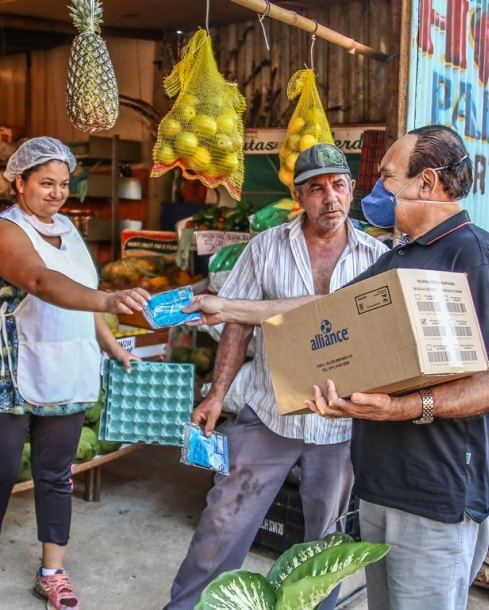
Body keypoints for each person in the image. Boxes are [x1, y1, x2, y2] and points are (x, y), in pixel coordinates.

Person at [183, 125, 489, 610]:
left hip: (436, 490)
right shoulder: (402, 257)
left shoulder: (474, 257)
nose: (374, 191)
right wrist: (230, 308)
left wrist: (402, 407)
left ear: (426, 183)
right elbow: (319, 311)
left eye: (386, 178)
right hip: (383, 482)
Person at [165, 144, 388, 610]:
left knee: (324, 542)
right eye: (317, 189)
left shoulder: (377, 255)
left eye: (339, 186)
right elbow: (237, 323)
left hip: (340, 425)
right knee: (222, 521)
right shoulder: (266, 247)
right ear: (298, 196)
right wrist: (216, 394)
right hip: (269, 414)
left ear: (351, 189)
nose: (330, 198)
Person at [0, 137, 149, 610]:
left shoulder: (69, 229)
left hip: (68, 366)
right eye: (45, 183)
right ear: (19, 183)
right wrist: (108, 299)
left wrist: (114, 346)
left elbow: (80, 296)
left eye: (63, 184)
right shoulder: (1, 230)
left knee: (56, 475)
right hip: (6, 367)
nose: (57, 193)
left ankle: (52, 571)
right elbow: (40, 281)